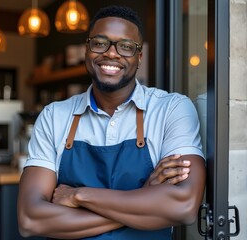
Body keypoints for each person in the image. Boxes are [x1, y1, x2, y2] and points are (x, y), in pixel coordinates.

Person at [17, 5, 205, 240]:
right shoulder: (54, 116)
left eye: (126, 46)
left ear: (139, 57)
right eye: (99, 43)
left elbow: (184, 207)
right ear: (87, 49)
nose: (111, 53)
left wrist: (79, 196)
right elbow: (30, 219)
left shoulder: (171, 109)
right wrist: (145, 198)